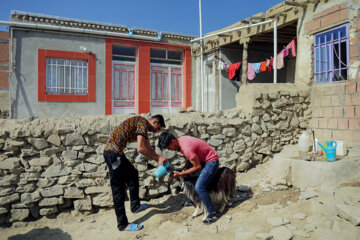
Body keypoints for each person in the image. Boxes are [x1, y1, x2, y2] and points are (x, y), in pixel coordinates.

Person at [103, 114, 167, 232]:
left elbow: (148, 147)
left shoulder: (142, 126)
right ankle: (122, 225)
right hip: (112, 154)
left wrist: (159, 159)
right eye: (158, 128)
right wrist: (157, 157)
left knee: (132, 174)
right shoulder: (142, 123)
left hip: (118, 154)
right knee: (118, 189)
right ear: (155, 122)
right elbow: (141, 149)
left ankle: (135, 206)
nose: (156, 131)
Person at [158, 132, 219, 224]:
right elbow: (191, 157)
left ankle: (212, 213)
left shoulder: (186, 148)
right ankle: (195, 199)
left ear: (173, 142)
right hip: (202, 158)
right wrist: (184, 169)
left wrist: (181, 173)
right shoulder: (180, 140)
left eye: (169, 147)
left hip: (211, 161)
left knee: (200, 187)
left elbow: (197, 167)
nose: (170, 150)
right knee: (188, 174)